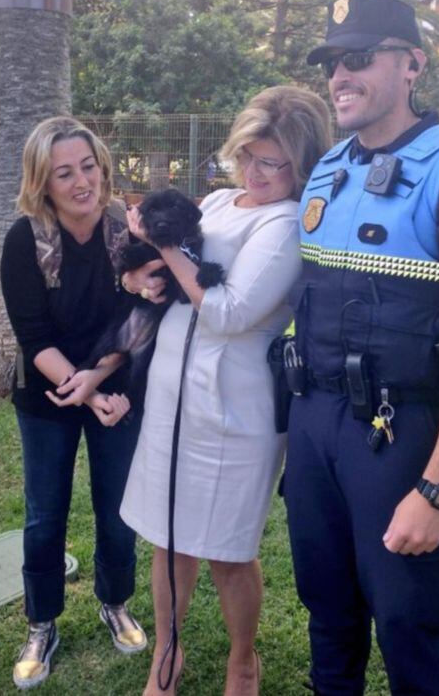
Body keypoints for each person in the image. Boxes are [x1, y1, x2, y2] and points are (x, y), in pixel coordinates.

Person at [284, 0, 439, 695]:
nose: (340, 77)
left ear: (413, 64)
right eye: (332, 63)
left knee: (407, 626)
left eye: (359, 59)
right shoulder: (328, 168)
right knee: (328, 614)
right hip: (313, 426)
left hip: (398, 435)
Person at [120, 86, 333, 696]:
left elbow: (232, 311)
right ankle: (169, 649)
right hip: (171, 391)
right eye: (248, 155)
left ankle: (243, 659)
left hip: (236, 402)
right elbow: (178, 276)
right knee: (168, 536)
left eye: (274, 162)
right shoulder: (216, 200)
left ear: (302, 163)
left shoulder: (289, 220)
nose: (256, 173)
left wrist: (164, 247)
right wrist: (142, 273)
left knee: (227, 548)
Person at [0, 116, 148, 691]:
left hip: (113, 385)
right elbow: (34, 339)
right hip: (48, 394)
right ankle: (41, 622)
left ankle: (115, 602)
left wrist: (101, 383)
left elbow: (133, 320)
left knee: (117, 506)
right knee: (44, 512)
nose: (82, 181)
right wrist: (84, 392)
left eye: (88, 166)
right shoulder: (25, 239)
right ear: (43, 182)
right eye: (65, 172)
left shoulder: (122, 235)